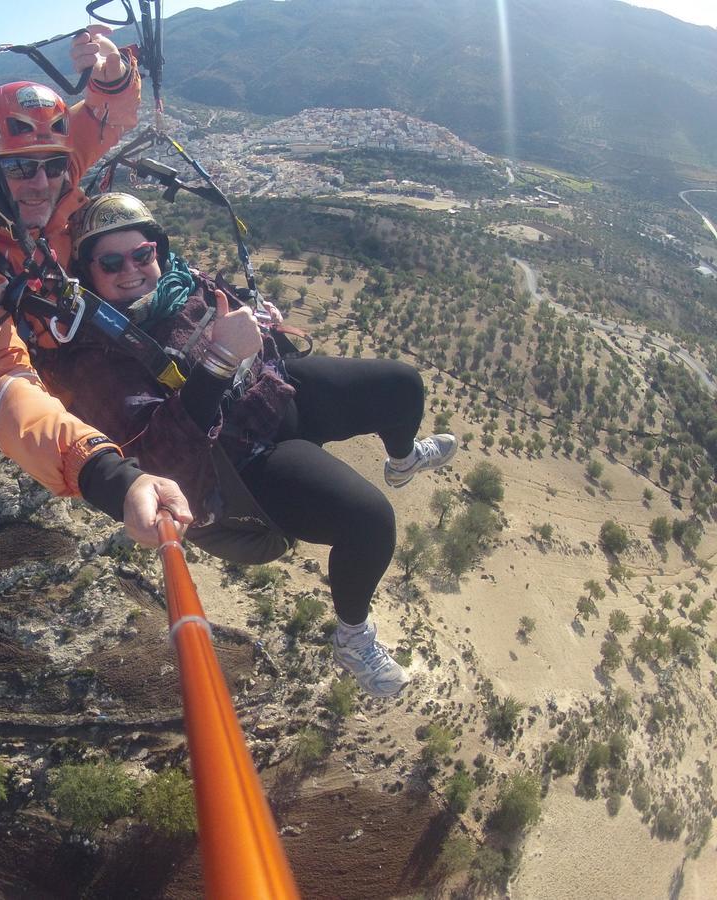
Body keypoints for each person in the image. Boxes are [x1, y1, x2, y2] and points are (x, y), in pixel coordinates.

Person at [37, 193, 458, 697]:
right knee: (370, 522)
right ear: (88, 271)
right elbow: (159, 456)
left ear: (159, 252)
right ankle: (352, 637)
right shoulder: (95, 358)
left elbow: (227, 313)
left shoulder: (180, 284)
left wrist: (256, 320)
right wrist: (217, 360)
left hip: (271, 391)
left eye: (142, 254)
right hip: (240, 461)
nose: (131, 270)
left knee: (401, 386)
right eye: (110, 262)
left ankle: (403, 460)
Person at [0, 25, 194, 551]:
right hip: (66, 371)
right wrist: (105, 474)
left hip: (93, 322)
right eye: (21, 167)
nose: (42, 182)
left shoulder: (54, 169)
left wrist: (112, 73)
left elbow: (101, 117)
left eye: (50, 164)